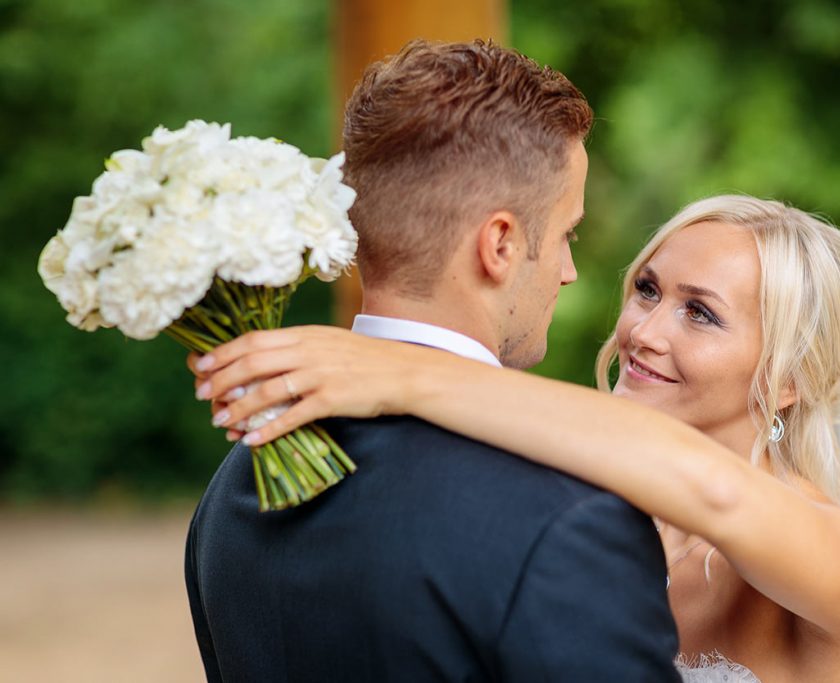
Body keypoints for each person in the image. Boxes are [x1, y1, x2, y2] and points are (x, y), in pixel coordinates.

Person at [193, 195, 840, 682]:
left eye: (701, 313)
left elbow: (718, 490)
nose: (643, 332)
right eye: (649, 290)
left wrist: (404, 371)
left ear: (789, 377)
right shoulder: (577, 509)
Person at [184, 39, 682, 682]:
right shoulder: (570, 519)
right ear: (499, 244)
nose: (567, 271)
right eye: (566, 234)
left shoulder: (239, 479)